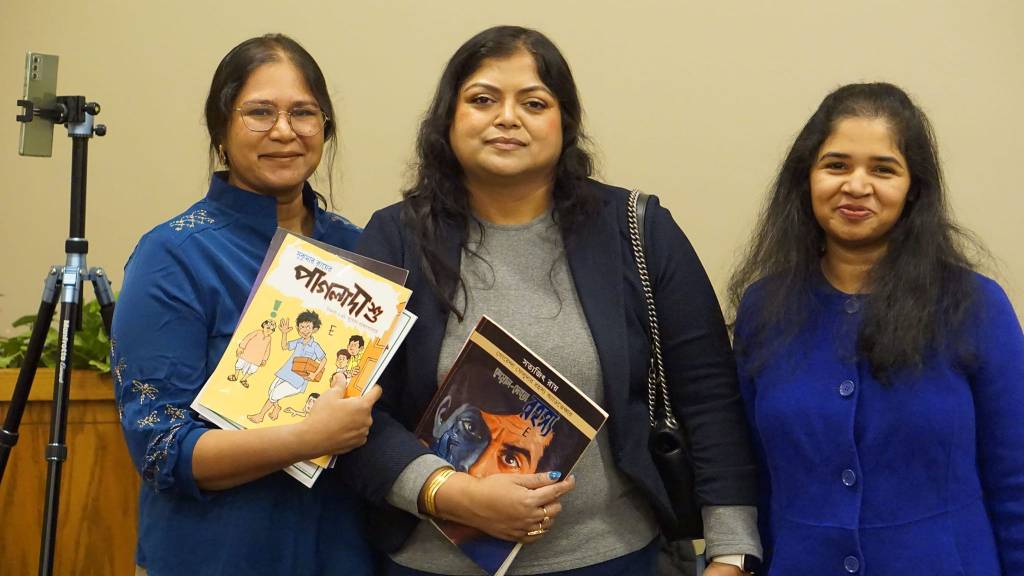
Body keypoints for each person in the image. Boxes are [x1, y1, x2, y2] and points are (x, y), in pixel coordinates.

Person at [340, 25, 761, 575]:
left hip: (612, 559)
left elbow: (708, 397)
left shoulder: (637, 230)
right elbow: (347, 407)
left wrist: (731, 553)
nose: (507, 117)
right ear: (448, 120)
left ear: (565, 123)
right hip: (430, 563)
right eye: (483, 100)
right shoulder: (394, 237)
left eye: (534, 103)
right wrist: (446, 492)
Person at [111, 34, 380, 576]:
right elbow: (161, 451)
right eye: (260, 112)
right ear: (221, 129)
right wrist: (307, 439)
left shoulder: (359, 249)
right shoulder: (173, 254)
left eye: (303, 112)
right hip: (215, 554)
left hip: (342, 551)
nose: (284, 130)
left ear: (325, 127)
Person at [728, 83, 1024, 574]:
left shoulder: (974, 304)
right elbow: (749, 474)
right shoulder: (765, 308)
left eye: (883, 169)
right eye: (836, 165)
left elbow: (1016, 481)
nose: (856, 186)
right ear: (807, 178)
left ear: (913, 189)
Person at [229, 318, 276, 387]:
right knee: (240, 364)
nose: (269, 330)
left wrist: (264, 359)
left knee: (253, 369)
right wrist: (241, 347)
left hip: (257, 358)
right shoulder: (257, 332)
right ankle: (236, 375)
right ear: (264, 325)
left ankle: (244, 379)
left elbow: (268, 349)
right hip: (247, 353)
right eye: (268, 327)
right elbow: (247, 338)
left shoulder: (269, 338)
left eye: (272, 329)